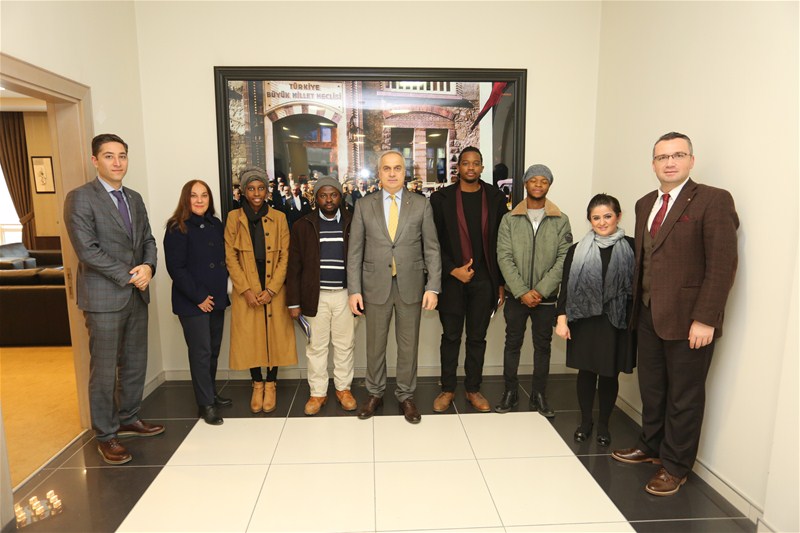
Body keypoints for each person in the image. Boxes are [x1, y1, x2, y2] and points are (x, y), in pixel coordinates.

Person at [612, 132, 739, 497]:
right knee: (652, 389)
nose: (670, 162)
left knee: (685, 396)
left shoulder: (713, 200)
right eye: (662, 157)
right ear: (653, 164)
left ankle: (675, 466)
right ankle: (650, 445)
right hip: (648, 314)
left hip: (690, 320)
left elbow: (722, 264)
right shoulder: (644, 203)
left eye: (678, 155)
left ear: (691, 161)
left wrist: (707, 318)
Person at [63, 133, 163, 465]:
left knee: (135, 362)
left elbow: (148, 239)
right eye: (109, 156)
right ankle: (106, 435)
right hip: (104, 297)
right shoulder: (80, 198)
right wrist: (131, 275)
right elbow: (87, 250)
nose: (117, 162)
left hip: (137, 294)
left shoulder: (133, 198)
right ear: (95, 161)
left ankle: (129, 417)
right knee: (104, 370)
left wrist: (148, 267)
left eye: (122, 156)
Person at [348, 150, 442, 424]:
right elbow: (355, 251)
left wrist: (433, 287)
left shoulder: (421, 204)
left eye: (397, 168)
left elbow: (432, 248)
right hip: (374, 286)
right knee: (375, 346)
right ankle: (375, 393)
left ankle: (406, 396)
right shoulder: (364, 205)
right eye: (386, 168)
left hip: (411, 286)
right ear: (379, 173)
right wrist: (354, 290)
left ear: (404, 172)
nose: (392, 173)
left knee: (408, 346)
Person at [429, 147, 508, 413]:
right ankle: (447, 389)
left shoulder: (495, 198)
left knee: (477, 338)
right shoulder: (440, 199)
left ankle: (473, 389)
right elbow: (432, 242)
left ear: (482, 167)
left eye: (476, 163)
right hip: (451, 279)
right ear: (458, 167)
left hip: (485, 281)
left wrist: (500, 283)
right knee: (451, 337)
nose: (471, 168)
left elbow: (501, 243)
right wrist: (453, 270)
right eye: (466, 163)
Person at [555, 194, 635, 447]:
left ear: (618, 216)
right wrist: (561, 320)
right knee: (586, 373)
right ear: (589, 220)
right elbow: (566, 287)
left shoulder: (633, 247)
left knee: (610, 375)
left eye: (607, 216)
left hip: (617, 320)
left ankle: (603, 426)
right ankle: (586, 422)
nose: (602, 222)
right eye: (596, 218)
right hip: (585, 319)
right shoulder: (577, 250)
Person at [496, 164, 572, 416]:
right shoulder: (509, 219)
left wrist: (540, 290)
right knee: (512, 344)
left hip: (546, 298)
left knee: (543, 346)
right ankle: (510, 392)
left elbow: (564, 258)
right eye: (533, 180)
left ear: (549, 185)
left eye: (544, 181)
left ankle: (539, 394)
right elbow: (504, 256)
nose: (538, 185)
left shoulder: (561, 220)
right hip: (517, 297)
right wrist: (521, 291)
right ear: (525, 183)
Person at [225, 168, 297, 414]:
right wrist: (245, 290)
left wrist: (272, 289)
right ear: (244, 192)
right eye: (251, 188)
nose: (256, 193)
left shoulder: (279, 218)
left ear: (267, 191)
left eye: (261, 188)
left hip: (273, 289)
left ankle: (271, 383)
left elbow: (285, 256)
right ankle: (257, 383)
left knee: (274, 335)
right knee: (250, 336)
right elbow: (230, 257)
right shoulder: (233, 218)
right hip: (246, 290)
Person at [287, 177, 357, 415]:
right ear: (315, 198)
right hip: (314, 296)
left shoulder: (353, 222)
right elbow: (294, 267)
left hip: (346, 295)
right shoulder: (302, 225)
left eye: (333, 195)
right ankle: (317, 393)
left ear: (341, 196)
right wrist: (293, 302)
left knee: (344, 345)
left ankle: (343, 389)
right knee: (316, 347)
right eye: (323, 195)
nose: (329, 200)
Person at [164, 180, 231, 426]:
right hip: (193, 302)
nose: (200, 200)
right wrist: (199, 297)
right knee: (201, 353)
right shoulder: (177, 227)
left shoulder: (216, 224)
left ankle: (210, 393)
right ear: (186, 199)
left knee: (212, 350)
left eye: (204, 195)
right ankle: (205, 405)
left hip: (217, 299)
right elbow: (176, 268)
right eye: (194, 195)